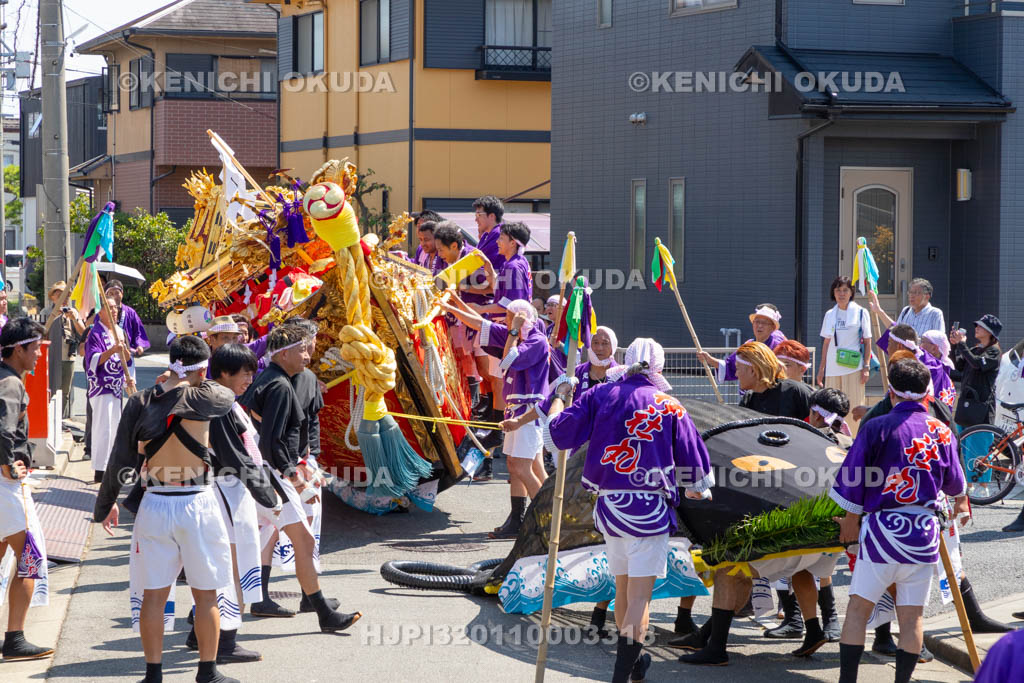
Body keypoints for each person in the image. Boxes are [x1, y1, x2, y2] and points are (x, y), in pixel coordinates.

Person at [546, 338, 714, 682]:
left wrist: (560, 396)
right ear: (660, 368)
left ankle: (635, 666)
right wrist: (696, 489)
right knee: (639, 598)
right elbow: (697, 478)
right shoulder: (670, 406)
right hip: (648, 513)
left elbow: (555, 435)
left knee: (622, 589)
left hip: (609, 508)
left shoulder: (599, 395)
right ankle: (621, 675)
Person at [94, 336, 240, 683]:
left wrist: (105, 504)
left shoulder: (141, 401)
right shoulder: (205, 397)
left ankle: (153, 674)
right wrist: (185, 382)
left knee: (154, 595)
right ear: (203, 369)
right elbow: (227, 395)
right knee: (206, 595)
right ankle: (207, 672)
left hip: (156, 502)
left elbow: (121, 458)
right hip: (197, 501)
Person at [831, 357, 969, 683]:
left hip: (882, 534)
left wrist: (850, 521)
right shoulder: (941, 431)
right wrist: (960, 504)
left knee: (857, 611)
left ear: (891, 392)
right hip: (923, 536)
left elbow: (853, 480)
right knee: (912, 618)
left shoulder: (876, 427)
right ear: (927, 394)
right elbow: (955, 485)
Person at [239, 325, 359, 631]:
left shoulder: (283, 380)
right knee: (298, 540)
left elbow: (301, 428)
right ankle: (321, 612)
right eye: (302, 349)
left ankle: (311, 605)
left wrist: (309, 460)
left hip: (276, 468)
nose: (308, 354)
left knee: (266, 539)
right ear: (283, 354)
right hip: (275, 471)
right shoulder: (278, 385)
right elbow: (271, 441)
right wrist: (294, 475)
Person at [183, 343, 279, 664]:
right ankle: (225, 641)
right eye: (245, 373)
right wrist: (268, 495)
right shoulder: (219, 404)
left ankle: (201, 634)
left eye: (252, 372)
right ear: (223, 373)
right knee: (232, 569)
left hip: (229, 490)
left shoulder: (223, 401)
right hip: (226, 490)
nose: (250, 379)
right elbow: (235, 457)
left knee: (225, 567)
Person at [443, 297, 550, 539]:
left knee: (521, 466)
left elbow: (508, 360)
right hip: (516, 410)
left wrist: (512, 331)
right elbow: (480, 324)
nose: (505, 321)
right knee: (518, 466)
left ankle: (547, 520)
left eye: (509, 317)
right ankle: (519, 520)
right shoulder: (518, 335)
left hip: (527, 411)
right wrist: (451, 306)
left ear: (520, 319)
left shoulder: (535, 340)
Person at [0, 318, 54, 661]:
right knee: (30, 558)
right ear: (18, 349)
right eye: (35, 348)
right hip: (7, 487)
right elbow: (4, 429)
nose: (39, 354)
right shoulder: (10, 383)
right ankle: (15, 637)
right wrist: (7, 464)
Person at [84, 294, 130, 484]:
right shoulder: (95, 333)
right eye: (109, 308)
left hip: (116, 385)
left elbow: (127, 358)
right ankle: (100, 469)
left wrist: (123, 351)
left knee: (115, 427)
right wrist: (112, 350)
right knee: (103, 427)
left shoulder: (119, 331)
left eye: (116, 308)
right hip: (101, 386)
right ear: (101, 312)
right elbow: (92, 360)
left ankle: (112, 466)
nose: (114, 311)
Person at [816, 277, 871, 433]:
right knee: (831, 409)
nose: (841, 294)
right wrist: (821, 369)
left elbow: (868, 342)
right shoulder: (830, 314)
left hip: (854, 367)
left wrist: (866, 367)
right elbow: (826, 343)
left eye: (845, 290)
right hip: (833, 368)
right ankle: (834, 439)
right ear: (833, 293)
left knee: (853, 407)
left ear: (851, 292)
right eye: (838, 290)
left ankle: (853, 441)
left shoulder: (861, 312)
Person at [697, 304, 787, 384]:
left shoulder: (779, 347)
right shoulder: (748, 346)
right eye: (757, 321)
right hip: (749, 393)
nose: (759, 326)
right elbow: (730, 365)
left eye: (764, 323)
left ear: (773, 327)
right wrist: (709, 360)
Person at [950, 314, 1002, 430]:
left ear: (990, 332)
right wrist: (954, 346)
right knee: (960, 441)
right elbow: (957, 365)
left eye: (981, 326)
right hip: (965, 406)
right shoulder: (975, 350)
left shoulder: (994, 351)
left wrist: (961, 344)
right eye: (977, 325)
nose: (976, 328)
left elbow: (976, 364)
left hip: (981, 409)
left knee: (979, 441)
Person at [736, 341, 812, 419]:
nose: (736, 374)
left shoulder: (796, 391)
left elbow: (815, 423)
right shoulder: (748, 398)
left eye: (737, 368)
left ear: (753, 370)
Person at [476, 222, 533, 316]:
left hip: (510, 322)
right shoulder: (519, 261)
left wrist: (480, 309)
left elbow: (509, 304)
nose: (497, 241)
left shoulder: (513, 266)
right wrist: (487, 265)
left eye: (501, 238)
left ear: (512, 243)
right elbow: (497, 286)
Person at [48, 281, 86, 419]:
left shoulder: (72, 312)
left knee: (65, 390)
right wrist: (54, 316)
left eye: (66, 296)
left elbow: (83, 333)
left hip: (68, 356)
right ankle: (50, 418)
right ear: (52, 297)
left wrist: (74, 319)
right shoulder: (47, 312)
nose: (63, 299)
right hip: (52, 356)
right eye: (59, 295)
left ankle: (60, 419)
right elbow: (41, 333)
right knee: (52, 388)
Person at [105, 279, 150, 377]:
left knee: (129, 382)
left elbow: (138, 331)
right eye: (111, 293)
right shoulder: (102, 312)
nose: (114, 296)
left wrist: (139, 345)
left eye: (117, 293)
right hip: (108, 355)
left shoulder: (130, 312)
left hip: (127, 354)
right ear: (106, 295)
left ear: (122, 294)